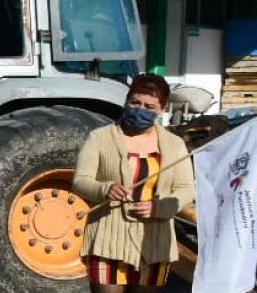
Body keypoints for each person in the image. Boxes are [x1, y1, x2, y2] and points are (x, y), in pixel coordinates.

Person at [73, 74, 195, 292]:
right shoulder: (99, 137)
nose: (140, 110)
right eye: (135, 103)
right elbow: (80, 181)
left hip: (155, 242)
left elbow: (186, 189)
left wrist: (160, 207)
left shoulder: (174, 144)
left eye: (149, 106)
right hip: (107, 239)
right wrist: (105, 189)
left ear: (162, 110)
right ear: (126, 101)